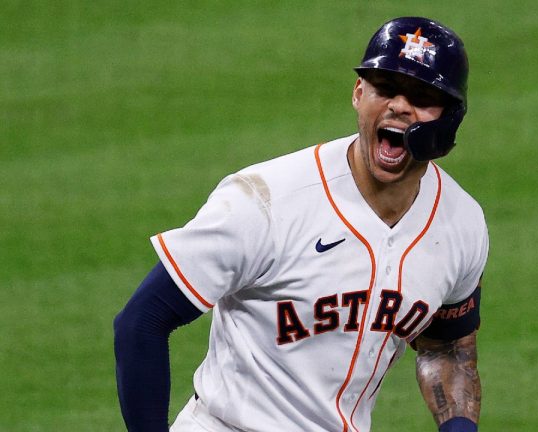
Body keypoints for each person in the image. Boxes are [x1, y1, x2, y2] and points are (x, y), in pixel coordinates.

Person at [114, 16, 489, 432]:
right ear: (358, 94)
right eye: (385, 89)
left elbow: (448, 347)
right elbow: (142, 320)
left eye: (421, 96)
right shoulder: (266, 201)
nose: (399, 105)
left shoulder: (462, 223)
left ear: (450, 119)